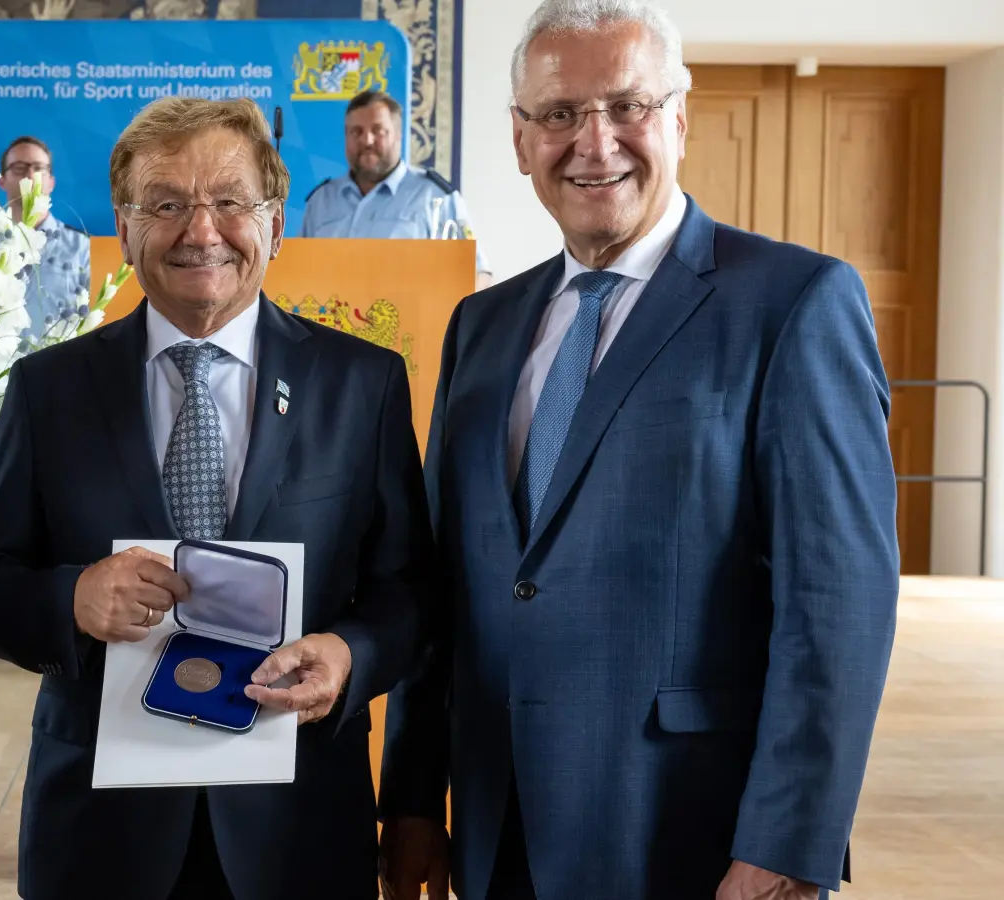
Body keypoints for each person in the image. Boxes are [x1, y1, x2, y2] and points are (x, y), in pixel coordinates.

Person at [378, 2, 900, 899]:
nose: (594, 142)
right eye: (558, 114)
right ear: (518, 138)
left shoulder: (795, 302)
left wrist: (788, 840)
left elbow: (837, 602)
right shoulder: (483, 325)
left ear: (680, 118)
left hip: (689, 832)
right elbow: (448, 588)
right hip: (500, 830)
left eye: (627, 107)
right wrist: (416, 797)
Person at [0, 96, 436, 900]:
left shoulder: (363, 384)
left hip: (298, 829)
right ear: (126, 224)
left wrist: (351, 655)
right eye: (167, 204)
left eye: (228, 201)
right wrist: (70, 598)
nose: (200, 230)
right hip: (99, 833)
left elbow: (413, 593)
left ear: (277, 224)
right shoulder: (50, 388)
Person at [300, 90, 493, 288]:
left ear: (398, 135)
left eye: (378, 130)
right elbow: (299, 273)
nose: (367, 140)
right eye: (356, 132)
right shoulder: (321, 201)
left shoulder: (436, 197)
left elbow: (477, 274)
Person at [0, 135, 91, 338]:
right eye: (19, 168)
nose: (30, 175)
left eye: (39, 168)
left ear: (51, 182)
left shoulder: (83, 248)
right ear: (2, 181)